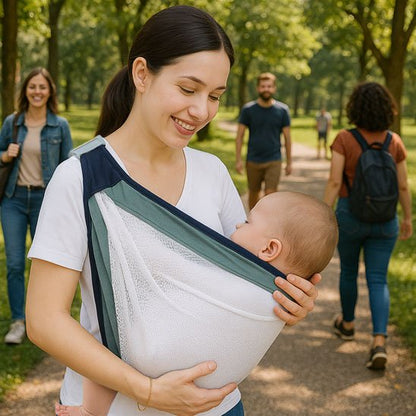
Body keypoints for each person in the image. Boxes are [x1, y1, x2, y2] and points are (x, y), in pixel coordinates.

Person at [26, 6, 321, 416]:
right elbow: (43, 319)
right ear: (142, 74)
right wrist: (149, 391)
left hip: (216, 407)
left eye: (215, 96)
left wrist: (288, 301)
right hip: (114, 408)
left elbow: (244, 281)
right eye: (188, 89)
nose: (202, 111)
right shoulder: (80, 178)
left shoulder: (212, 173)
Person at [55, 190, 338, 416]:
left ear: (269, 249)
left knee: (107, 345)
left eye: (247, 222)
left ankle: (91, 410)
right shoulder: (266, 289)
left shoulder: (213, 175)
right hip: (209, 386)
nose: (239, 224)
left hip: (153, 357)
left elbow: (169, 263)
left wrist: (295, 307)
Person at [323, 81, 412, 370]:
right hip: (385, 220)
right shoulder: (394, 141)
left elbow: (335, 181)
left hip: (350, 216)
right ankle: (379, 342)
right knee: (378, 278)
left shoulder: (344, 140)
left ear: (354, 107)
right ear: (387, 108)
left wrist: (324, 215)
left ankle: (348, 324)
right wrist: (408, 217)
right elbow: (402, 185)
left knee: (349, 271)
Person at [0, 67, 72, 345]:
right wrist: (6, 154)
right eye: (33, 87)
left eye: (42, 87)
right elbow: (0, 154)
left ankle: (46, 320)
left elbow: (69, 165)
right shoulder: (13, 123)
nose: (37, 92)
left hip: (46, 201)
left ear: (50, 91)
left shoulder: (60, 125)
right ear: (25, 91)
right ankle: (19, 321)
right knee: (16, 263)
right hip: (13, 200)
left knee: (48, 263)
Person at [235, 72, 292, 210]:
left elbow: (287, 138)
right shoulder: (248, 110)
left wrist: (289, 162)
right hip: (253, 160)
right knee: (253, 194)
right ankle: (253, 224)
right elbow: (240, 136)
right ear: (258, 88)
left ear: (274, 88)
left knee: (270, 195)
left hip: (274, 159)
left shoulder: (282, 110)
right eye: (263, 86)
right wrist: (238, 160)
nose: (266, 89)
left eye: (269, 86)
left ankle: (268, 226)